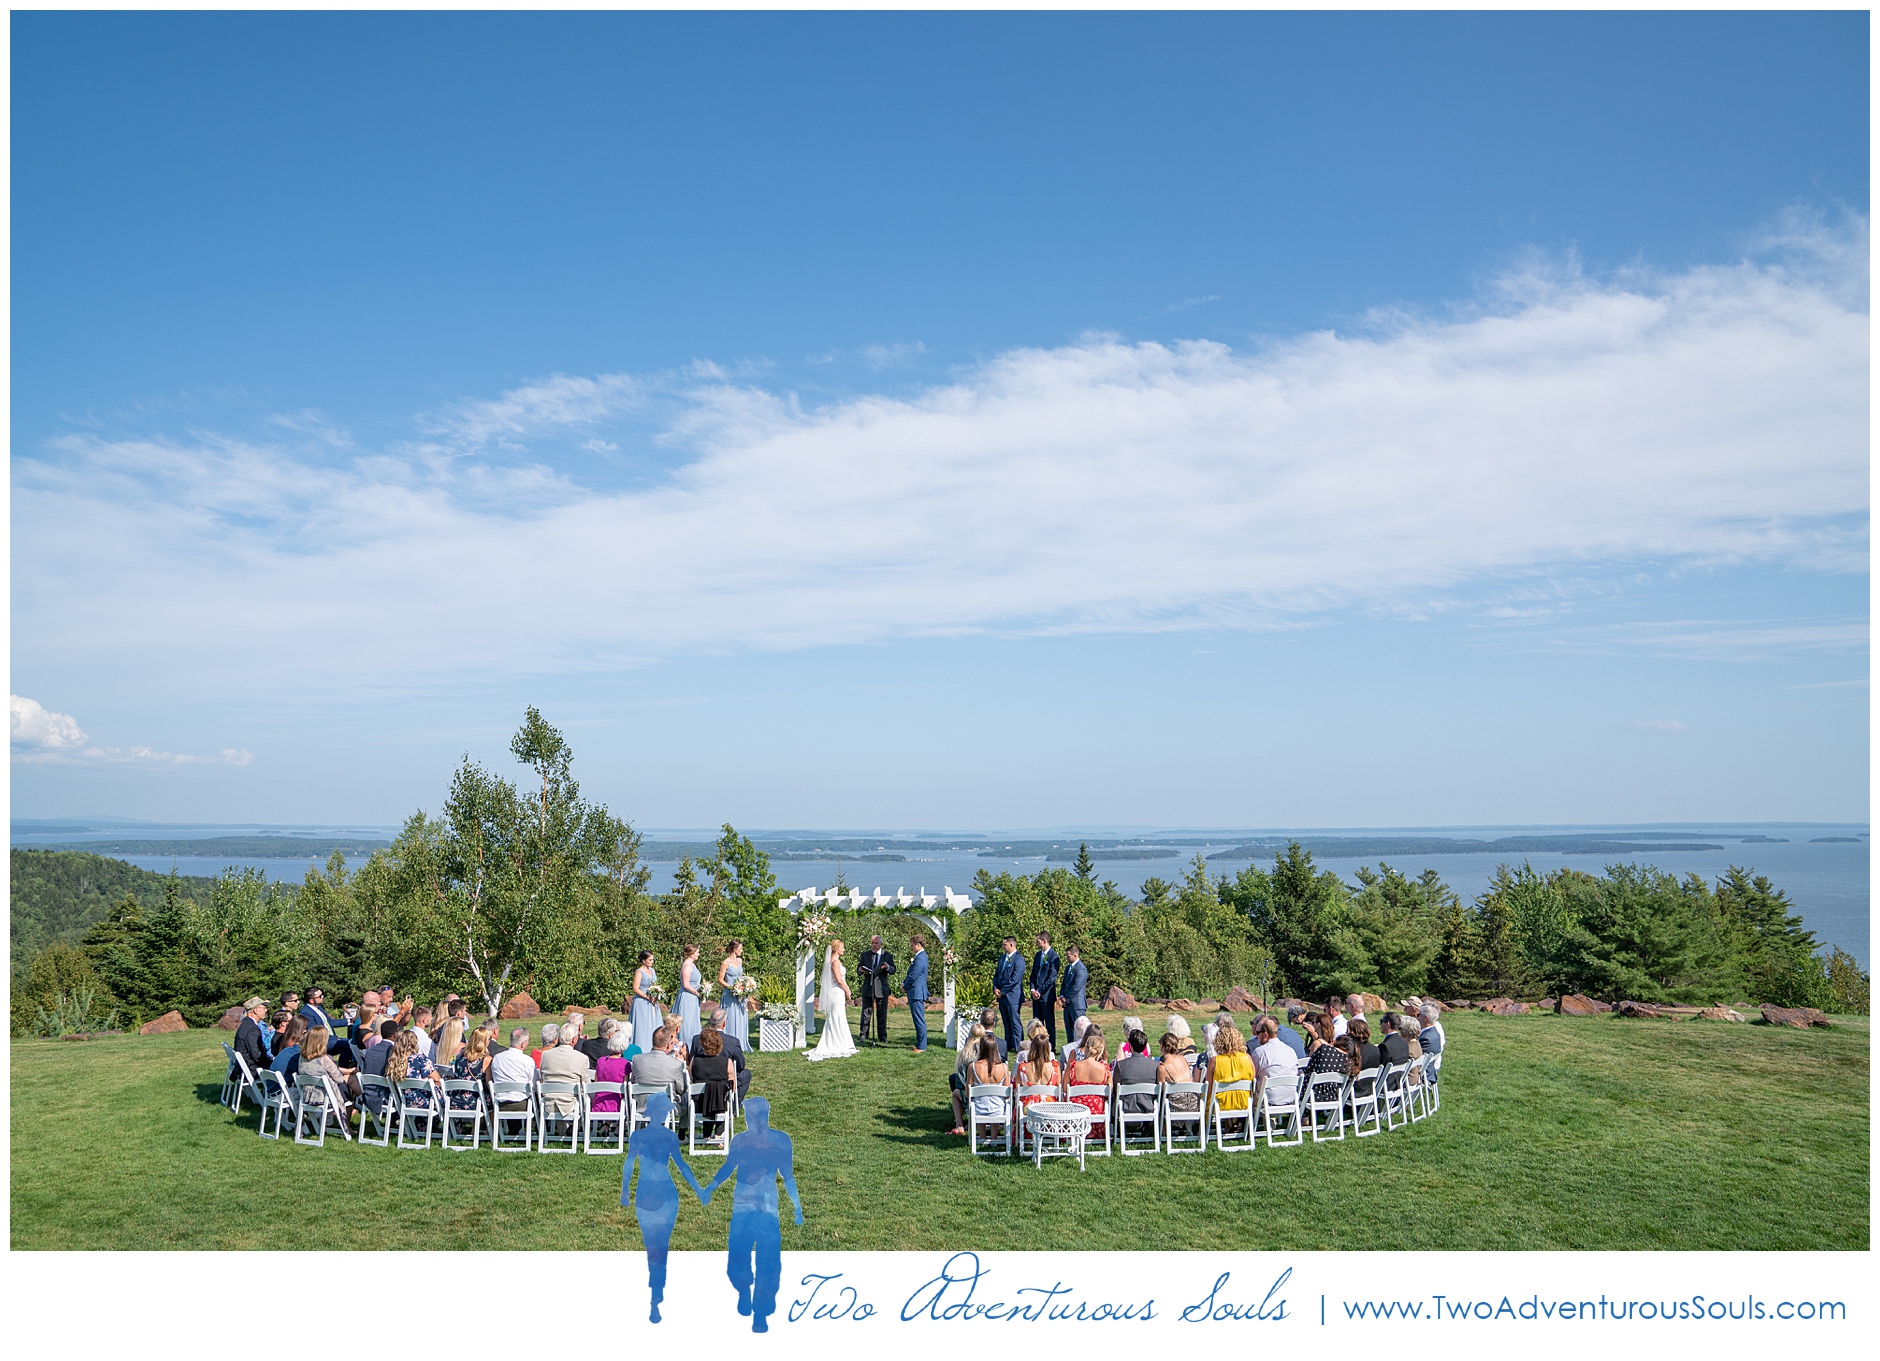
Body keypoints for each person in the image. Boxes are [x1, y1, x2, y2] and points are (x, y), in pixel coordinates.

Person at [701, 1098, 802, 1334]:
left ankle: (751, 1300)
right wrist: (796, 1207)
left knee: (741, 1255)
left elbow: (728, 1168)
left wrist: (710, 1187)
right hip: (765, 1208)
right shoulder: (780, 1140)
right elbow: (787, 1176)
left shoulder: (742, 1141)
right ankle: (758, 1307)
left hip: (745, 1207)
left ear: (753, 1117)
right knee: (766, 1261)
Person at [623, 1091, 708, 1324]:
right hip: (666, 1191)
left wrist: (624, 1190)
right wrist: (699, 1189)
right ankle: (657, 1289)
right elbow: (681, 1166)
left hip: (645, 1191)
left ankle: (655, 1288)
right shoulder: (670, 1137)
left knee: (651, 1242)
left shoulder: (637, 1137)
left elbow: (629, 1165)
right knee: (662, 1242)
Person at [805, 938, 856, 1062]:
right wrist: (847, 990)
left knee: (838, 1016)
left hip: (837, 992)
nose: (844, 949)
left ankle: (840, 1040)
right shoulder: (835, 962)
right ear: (836, 949)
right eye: (842, 947)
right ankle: (836, 1042)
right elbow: (839, 980)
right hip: (836, 992)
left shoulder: (834, 961)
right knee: (836, 1016)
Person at [631, 1024, 690, 1123]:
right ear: (668, 1045)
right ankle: (682, 1132)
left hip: (642, 1105)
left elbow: (634, 1082)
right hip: (667, 1108)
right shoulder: (675, 1064)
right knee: (686, 1095)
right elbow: (681, 1089)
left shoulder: (637, 1059)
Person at [690, 1007, 751, 1099]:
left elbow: (691, 1061)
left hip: (700, 1078)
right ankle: (734, 1105)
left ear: (710, 1021)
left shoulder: (697, 1039)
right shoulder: (733, 1042)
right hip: (723, 1082)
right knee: (745, 1074)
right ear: (724, 1023)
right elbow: (740, 1065)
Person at [690, 1027, 736, 1140]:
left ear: (702, 1044)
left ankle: (707, 1135)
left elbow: (692, 1078)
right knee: (722, 1097)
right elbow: (732, 1085)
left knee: (710, 1095)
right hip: (720, 1104)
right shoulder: (726, 1062)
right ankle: (718, 1134)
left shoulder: (695, 1060)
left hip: (699, 1104)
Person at [296, 1028, 356, 1113]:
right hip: (325, 1096)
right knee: (350, 1080)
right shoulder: (324, 1059)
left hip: (308, 1095)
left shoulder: (302, 1057)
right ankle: (362, 1102)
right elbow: (339, 1079)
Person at [385, 1029, 440, 1114]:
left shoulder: (394, 1062)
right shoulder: (420, 1059)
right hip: (423, 1101)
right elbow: (437, 1079)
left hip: (405, 1101)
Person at [1250, 1015, 1299, 1111]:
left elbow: (1252, 1077)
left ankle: (1242, 1124)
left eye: (1258, 1032)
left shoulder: (1259, 1052)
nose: (1256, 1035)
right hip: (1291, 1096)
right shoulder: (1290, 1050)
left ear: (1265, 1034)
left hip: (1268, 1099)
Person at [1208, 1019, 1255, 1115]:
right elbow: (1253, 1080)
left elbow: (1209, 1088)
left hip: (1221, 1104)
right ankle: (1234, 1123)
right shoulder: (1247, 1058)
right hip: (1244, 1101)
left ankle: (1228, 1124)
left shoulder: (1214, 1061)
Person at [947, 1023, 988, 1134]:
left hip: (973, 1095)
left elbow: (961, 1080)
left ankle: (959, 1125)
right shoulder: (990, 1053)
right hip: (992, 1096)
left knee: (956, 1092)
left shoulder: (965, 1055)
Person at [966, 1035, 1010, 1134]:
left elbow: (967, 1093)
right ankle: (994, 1138)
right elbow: (1007, 1094)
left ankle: (982, 1137)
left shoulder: (972, 1067)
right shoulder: (1004, 1067)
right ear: (996, 1048)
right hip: (998, 1110)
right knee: (996, 1102)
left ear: (981, 1048)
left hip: (978, 1109)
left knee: (979, 1102)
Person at [1064, 1025, 1109, 1122]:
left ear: (1086, 1047)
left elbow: (1065, 1088)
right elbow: (1109, 1091)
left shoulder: (1073, 1066)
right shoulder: (1105, 1069)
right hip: (1097, 1110)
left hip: (1076, 1111)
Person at [856, 934, 894, 1044]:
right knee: (866, 1013)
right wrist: (860, 970)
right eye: (872, 943)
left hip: (881, 989)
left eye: (876, 943)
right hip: (869, 987)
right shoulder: (865, 955)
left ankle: (882, 1036)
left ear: (881, 944)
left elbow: (893, 970)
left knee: (882, 1014)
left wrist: (887, 967)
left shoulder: (887, 955)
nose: (873, 945)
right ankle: (863, 1034)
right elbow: (859, 970)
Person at [1113, 1028, 1159, 1116]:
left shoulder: (1121, 1065)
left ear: (1130, 1046)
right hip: (1149, 1106)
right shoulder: (1155, 1066)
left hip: (1126, 1108)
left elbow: (1116, 1090)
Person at [1304, 1022, 1352, 1103]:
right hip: (1334, 1097)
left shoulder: (1324, 1049)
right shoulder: (1348, 1060)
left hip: (1313, 1095)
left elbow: (1309, 1068)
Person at [1027, 931, 1060, 1052]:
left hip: (1047, 996)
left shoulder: (1054, 956)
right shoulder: (1037, 956)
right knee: (1036, 1022)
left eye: (1038, 941)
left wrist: (1040, 991)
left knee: (1049, 1023)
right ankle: (1036, 1046)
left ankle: (1050, 1047)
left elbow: (1051, 978)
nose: (1036, 943)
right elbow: (1033, 974)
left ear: (1044, 941)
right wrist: (1032, 989)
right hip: (1036, 996)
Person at [491, 1027, 537, 1108]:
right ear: (523, 1044)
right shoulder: (528, 1061)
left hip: (500, 1104)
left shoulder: (497, 1058)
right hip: (522, 1105)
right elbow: (534, 1084)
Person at [993, 936, 1024, 1055]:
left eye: (1004, 944)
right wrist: (995, 988)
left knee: (1015, 1022)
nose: (1002, 946)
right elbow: (996, 975)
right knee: (1006, 1022)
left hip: (1013, 996)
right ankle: (1008, 1045)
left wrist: (1003, 991)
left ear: (1011, 945)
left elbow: (1015, 978)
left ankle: (1018, 1047)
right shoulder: (1002, 958)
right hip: (1002, 996)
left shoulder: (1019, 959)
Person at [1015, 1032, 1062, 1112]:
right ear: (1047, 1048)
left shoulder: (1023, 1067)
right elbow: (1059, 1088)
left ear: (1032, 1048)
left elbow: (1017, 1089)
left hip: (1028, 1110)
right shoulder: (1055, 1067)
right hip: (1050, 1109)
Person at [1157, 1030, 1200, 1111]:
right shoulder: (1183, 1059)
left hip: (1177, 1107)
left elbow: (1160, 1091)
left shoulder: (1163, 1068)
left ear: (1162, 1047)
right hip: (1193, 1103)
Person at [717, 940, 749, 1048]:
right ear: (734, 949)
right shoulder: (725, 963)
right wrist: (732, 988)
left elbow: (741, 976)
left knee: (740, 1015)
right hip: (729, 993)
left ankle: (741, 1041)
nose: (742, 950)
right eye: (740, 948)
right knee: (730, 1016)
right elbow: (720, 980)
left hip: (740, 993)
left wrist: (745, 986)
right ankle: (728, 1041)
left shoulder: (740, 961)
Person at [903, 934, 930, 1052]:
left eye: (912, 945)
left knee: (919, 1019)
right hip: (916, 991)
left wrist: (905, 985)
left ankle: (921, 1045)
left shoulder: (920, 958)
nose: (911, 947)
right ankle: (920, 1043)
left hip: (917, 992)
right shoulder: (921, 956)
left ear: (918, 945)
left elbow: (914, 975)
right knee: (917, 1018)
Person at [231, 997, 271, 1078]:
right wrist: (271, 1062)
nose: (266, 1010)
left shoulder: (246, 1024)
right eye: (264, 1008)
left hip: (243, 1068)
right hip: (250, 1070)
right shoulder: (252, 1029)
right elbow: (257, 1055)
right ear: (255, 1010)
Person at [630, 952, 661, 1053]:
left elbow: (655, 984)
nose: (652, 962)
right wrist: (647, 997)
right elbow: (635, 988)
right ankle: (642, 1048)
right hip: (642, 1002)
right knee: (642, 1026)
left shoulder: (652, 970)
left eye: (652, 960)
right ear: (643, 960)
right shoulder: (639, 972)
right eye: (650, 960)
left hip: (652, 1002)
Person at [676, 944, 705, 1050]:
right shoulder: (687, 966)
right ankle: (685, 1043)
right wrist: (697, 993)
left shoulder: (692, 965)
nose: (698, 954)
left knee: (693, 1019)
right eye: (697, 952)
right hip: (688, 996)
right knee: (687, 1020)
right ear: (692, 954)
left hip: (693, 996)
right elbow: (686, 984)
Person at [1060, 944, 1088, 1041]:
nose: (1067, 958)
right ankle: (1070, 1050)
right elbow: (1064, 983)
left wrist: (1066, 999)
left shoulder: (1081, 969)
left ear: (1075, 956)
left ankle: (1082, 1049)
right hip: (1067, 1005)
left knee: (1080, 1030)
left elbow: (1076, 987)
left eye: (1068, 956)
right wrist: (1062, 996)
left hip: (1077, 1005)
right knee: (1069, 1030)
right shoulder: (1068, 968)